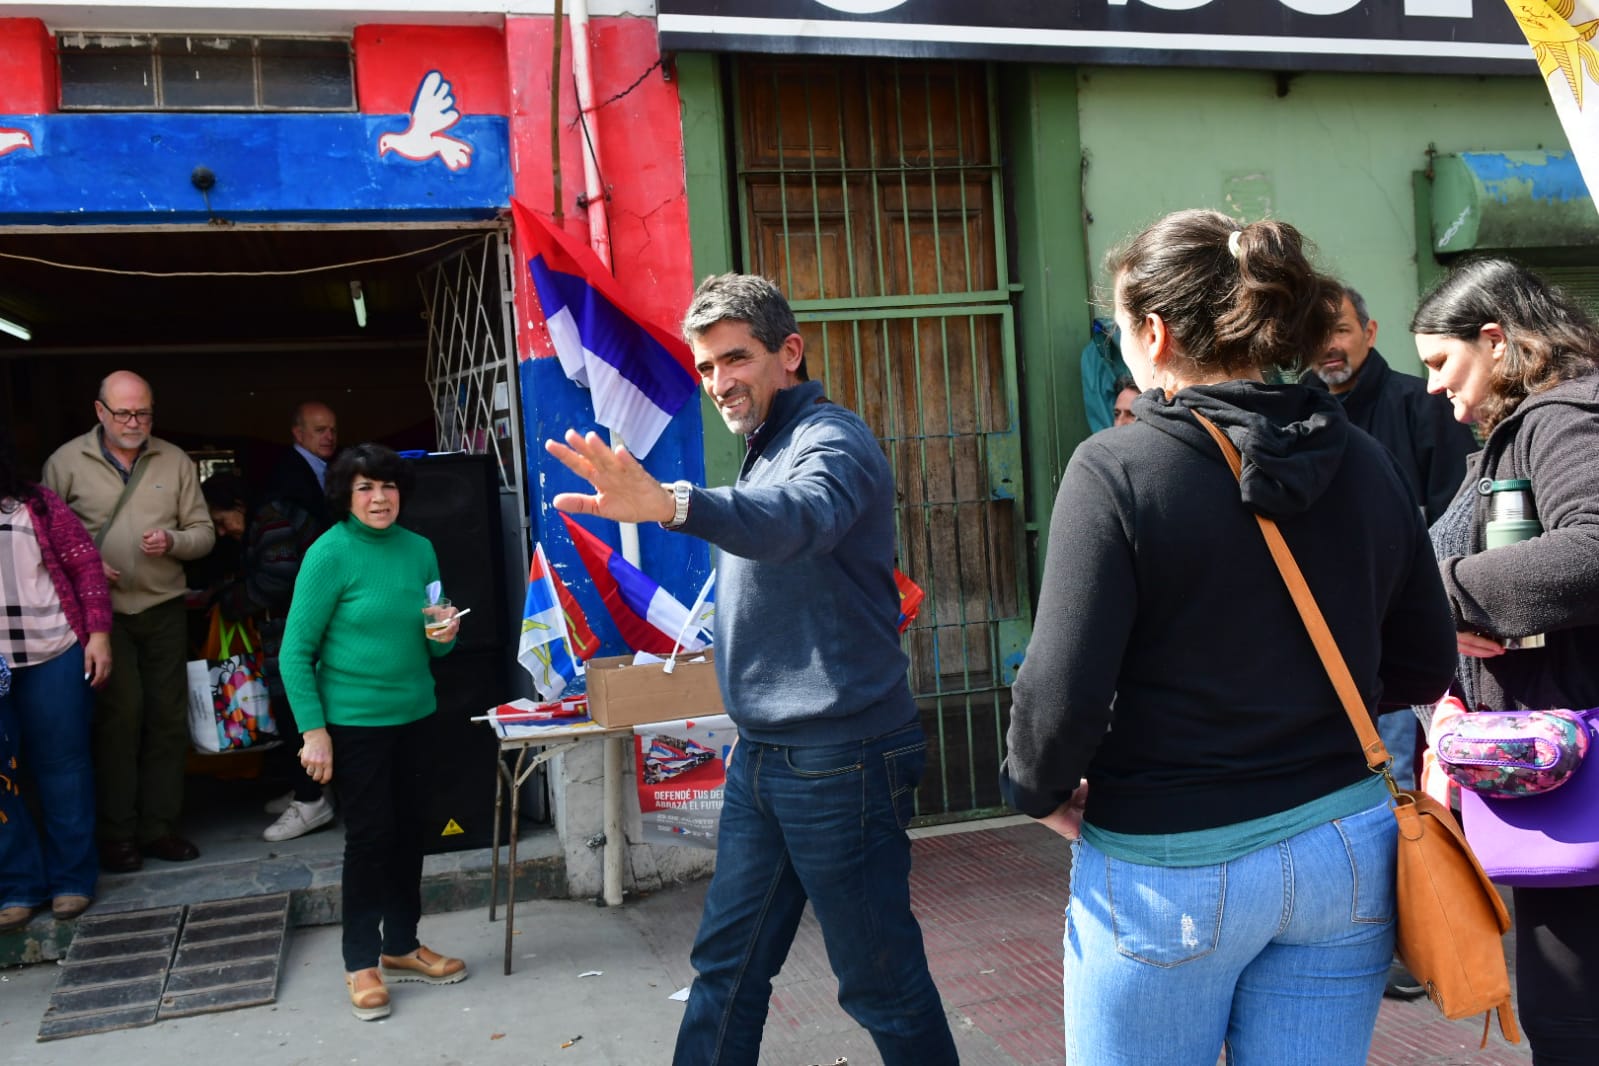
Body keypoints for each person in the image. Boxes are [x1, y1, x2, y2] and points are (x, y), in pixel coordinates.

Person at [1000, 211, 1457, 1065]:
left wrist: (1038, 787)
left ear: (1155, 332)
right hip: (1343, 851)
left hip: (1170, 863)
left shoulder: (1116, 469)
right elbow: (1424, 662)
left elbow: (1058, 694)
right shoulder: (1361, 457)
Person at [546, 273, 959, 1066]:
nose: (719, 382)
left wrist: (672, 505)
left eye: (735, 359)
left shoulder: (829, 441)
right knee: (725, 971)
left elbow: (799, 519)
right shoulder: (764, 448)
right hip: (765, 756)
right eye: (704, 367)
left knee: (880, 984)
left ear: (789, 352)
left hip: (843, 759)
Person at [1411, 257, 1599, 1064]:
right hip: (1560, 784)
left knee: (1570, 1027)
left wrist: (1442, 599)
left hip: (1578, 781)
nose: (1430, 388)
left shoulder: (1561, 419)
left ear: (1494, 339)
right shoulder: (1539, 422)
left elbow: (1589, 548)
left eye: (1441, 363)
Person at [277, 443, 466, 1022]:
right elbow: (294, 652)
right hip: (354, 725)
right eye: (364, 488)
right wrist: (314, 732)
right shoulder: (328, 554)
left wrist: (445, 634)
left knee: (411, 832)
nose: (379, 498)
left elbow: (441, 636)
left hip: (416, 714)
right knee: (370, 838)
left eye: (387, 486)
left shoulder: (421, 551)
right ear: (345, 496)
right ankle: (361, 962)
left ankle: (402, 944)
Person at [42, 370, 215, 872]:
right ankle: (117, 834)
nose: (135, 422)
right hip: (102, 617)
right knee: (120, 720)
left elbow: (204, 533)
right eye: (124, 413)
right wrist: (88, 568)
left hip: (163, 607)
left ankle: (159, 828)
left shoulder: (175, 459)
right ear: (100, 411)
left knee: (166, 719)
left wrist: (174, 541)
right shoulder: (65, 463)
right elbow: (45, 544)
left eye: (144, 412)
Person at [0, 424, 111, 930]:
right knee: (2, 778)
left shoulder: (39, 504)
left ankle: (72, 879)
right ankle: (17, 886)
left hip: (53, 651)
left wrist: (99, 635)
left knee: (63, 767)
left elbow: (87, 568)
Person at [201, 471, 328, 842]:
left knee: (294, 709)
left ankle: (312, 799)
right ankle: (312, 787)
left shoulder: (271, 520)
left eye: (222, 521)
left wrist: (232, 601)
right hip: (297, 626)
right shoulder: (266, 517)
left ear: (238, 505)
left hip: (301, 629)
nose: (222, 532)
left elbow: (278, 578)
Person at [264, 400, 338, 531]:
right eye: (320, 430)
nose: (330, 437)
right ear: (298, 434)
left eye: (333, 430)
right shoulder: (285, 473)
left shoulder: (336, 467)